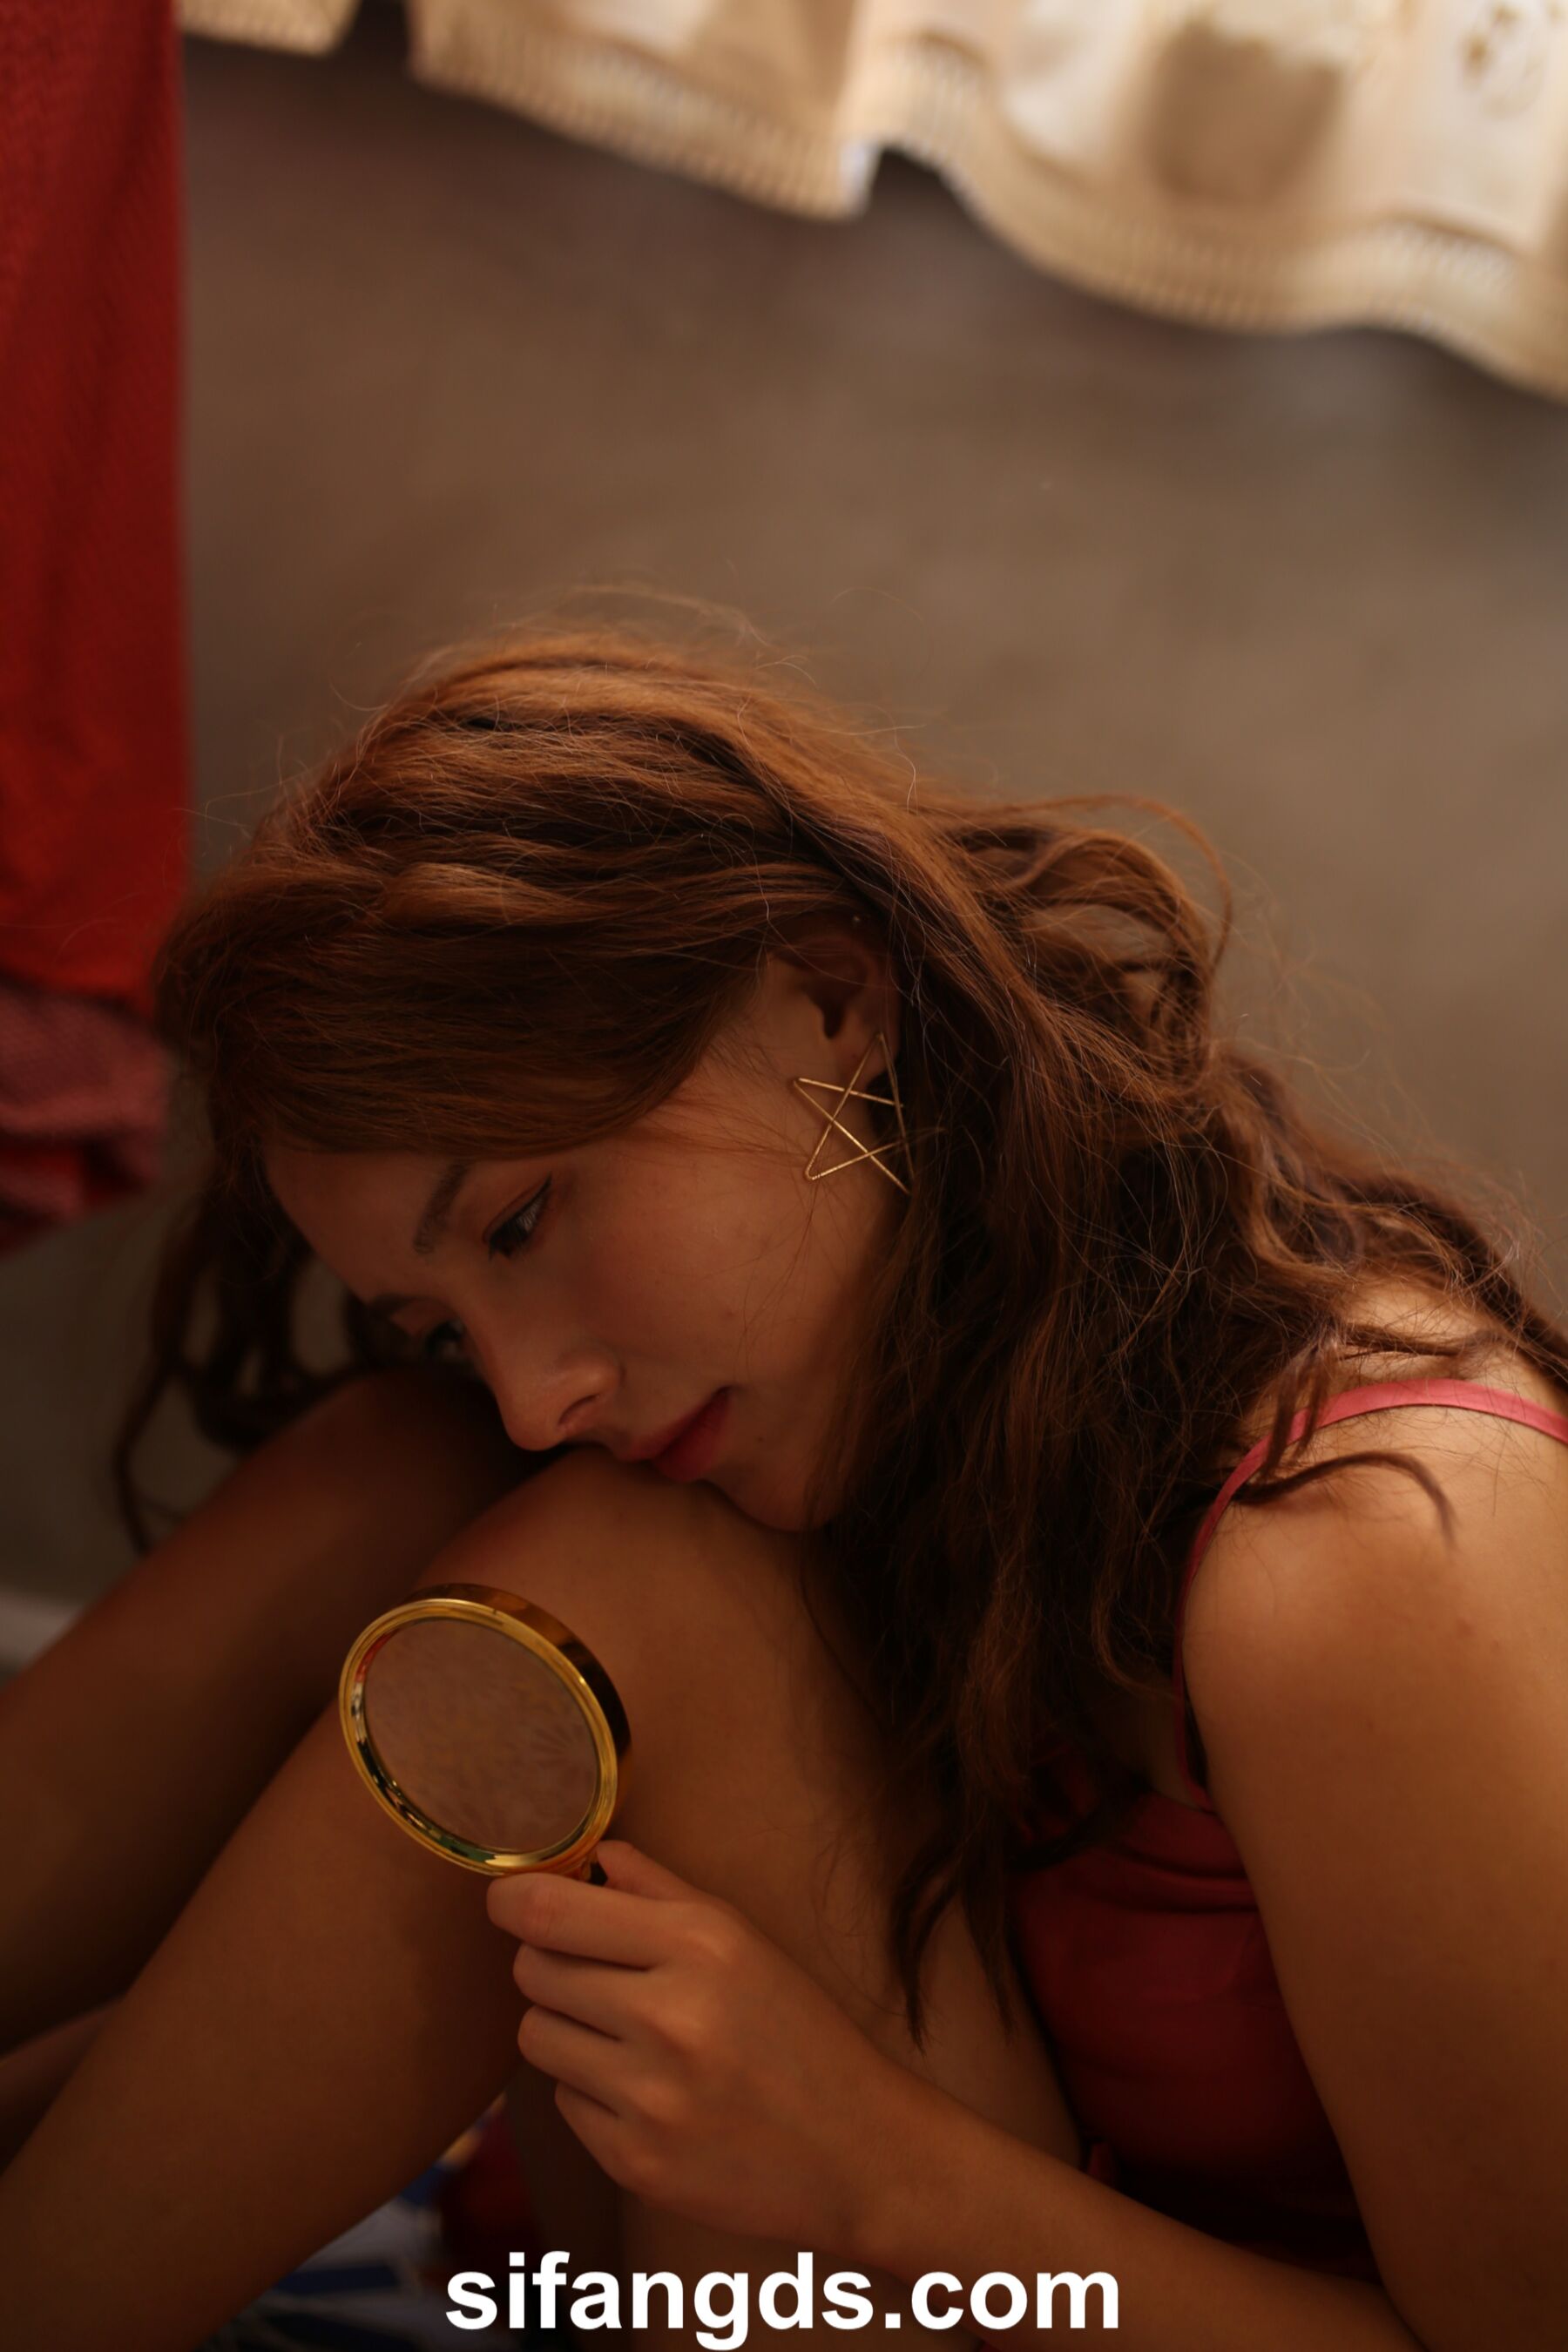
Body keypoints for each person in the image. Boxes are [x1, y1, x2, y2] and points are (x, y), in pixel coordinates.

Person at [2, 615, 1565, 2351]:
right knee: (406, 1471)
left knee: (599, 1592)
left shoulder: (1366, 1547)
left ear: (832, 997)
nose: (534, 1395)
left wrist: (877, 2174)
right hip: (699, 2245)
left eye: (524, 1221)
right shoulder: (906, 1406)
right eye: (443, 1322)